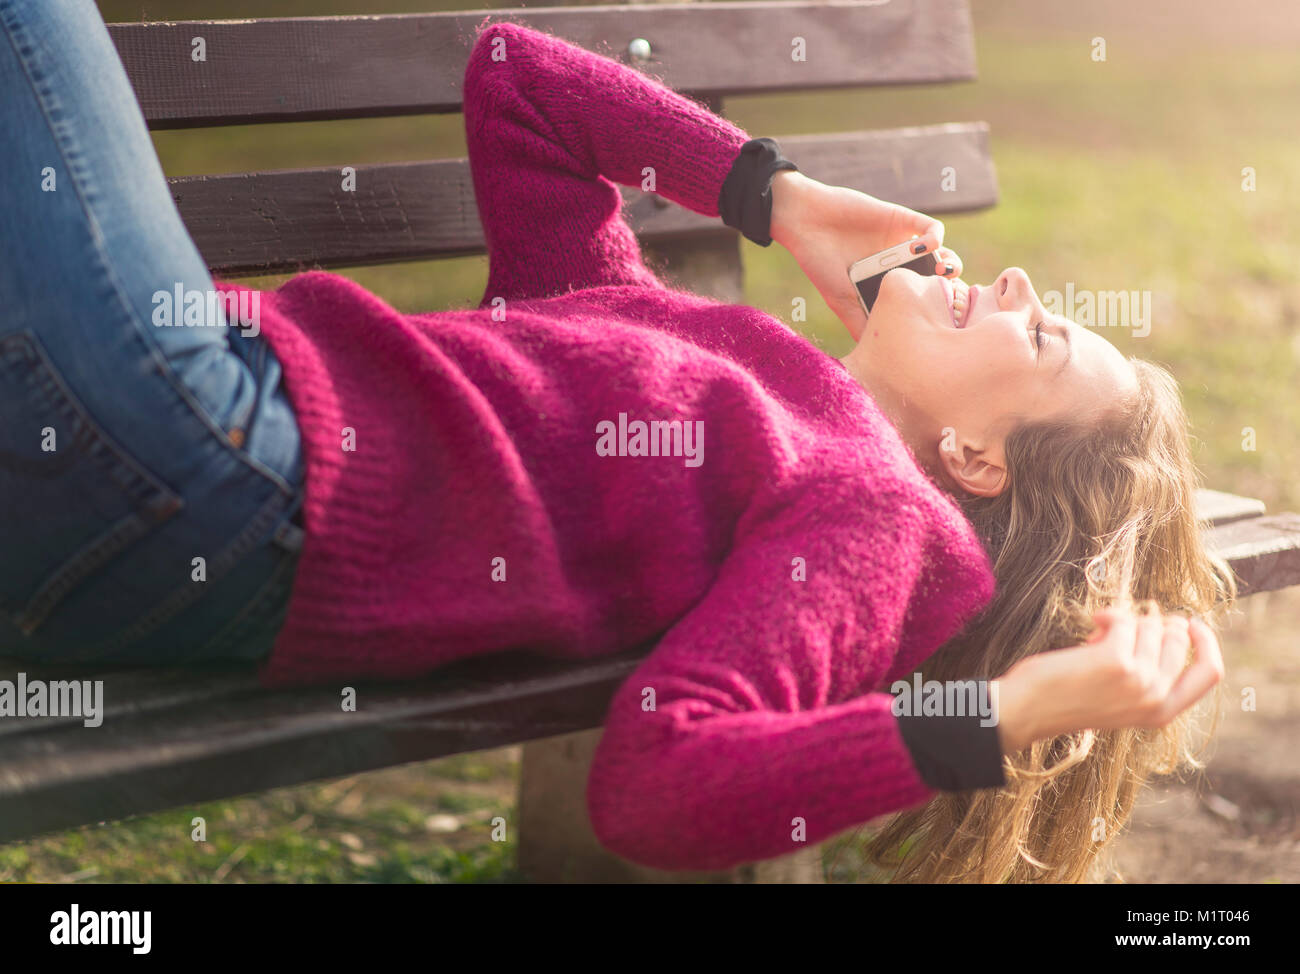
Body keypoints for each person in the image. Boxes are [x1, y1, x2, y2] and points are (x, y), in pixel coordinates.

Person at [0, 3, 1231, 881]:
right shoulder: (712, 359)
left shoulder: (870, 513)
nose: (1014, 278)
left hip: (211, 461)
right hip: (137, 473)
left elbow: (656, 784)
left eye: (1047, 333)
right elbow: (517, 82)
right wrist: (773, 196)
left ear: (974, 458)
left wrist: (1009, 712)